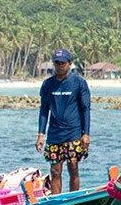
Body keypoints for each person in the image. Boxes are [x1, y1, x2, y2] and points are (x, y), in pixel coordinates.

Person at [36, 48, 91, 194]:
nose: (59, 66)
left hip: (73, 133)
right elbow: (44, 110)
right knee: (55, 170)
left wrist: (86, 134)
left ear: (69, 64)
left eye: (62, 63)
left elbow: (85, 109)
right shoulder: (48, 84)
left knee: (73, 167)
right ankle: (56, 201)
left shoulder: (79, 83)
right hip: (54, 135)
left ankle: (74, 198)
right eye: (56, 63)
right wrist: (41, 134)